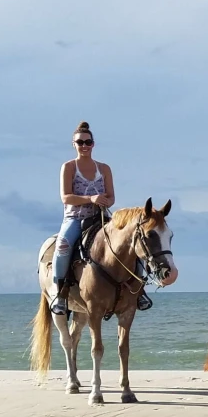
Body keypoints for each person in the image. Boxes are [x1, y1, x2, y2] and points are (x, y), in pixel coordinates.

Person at [49, 121, 152, 315]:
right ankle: (60, 293)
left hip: (101, 217)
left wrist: (105, 202)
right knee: (63, 246)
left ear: (93, 144)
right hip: (75, 218)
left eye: (88, 142)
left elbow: (112, 197)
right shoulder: (69, 167)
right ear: (74, 144)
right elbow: (66, 197)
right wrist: (91, 198)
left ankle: (140, 290)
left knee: (132, 241)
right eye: (80, 142)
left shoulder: (104, 169)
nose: (84, 146)